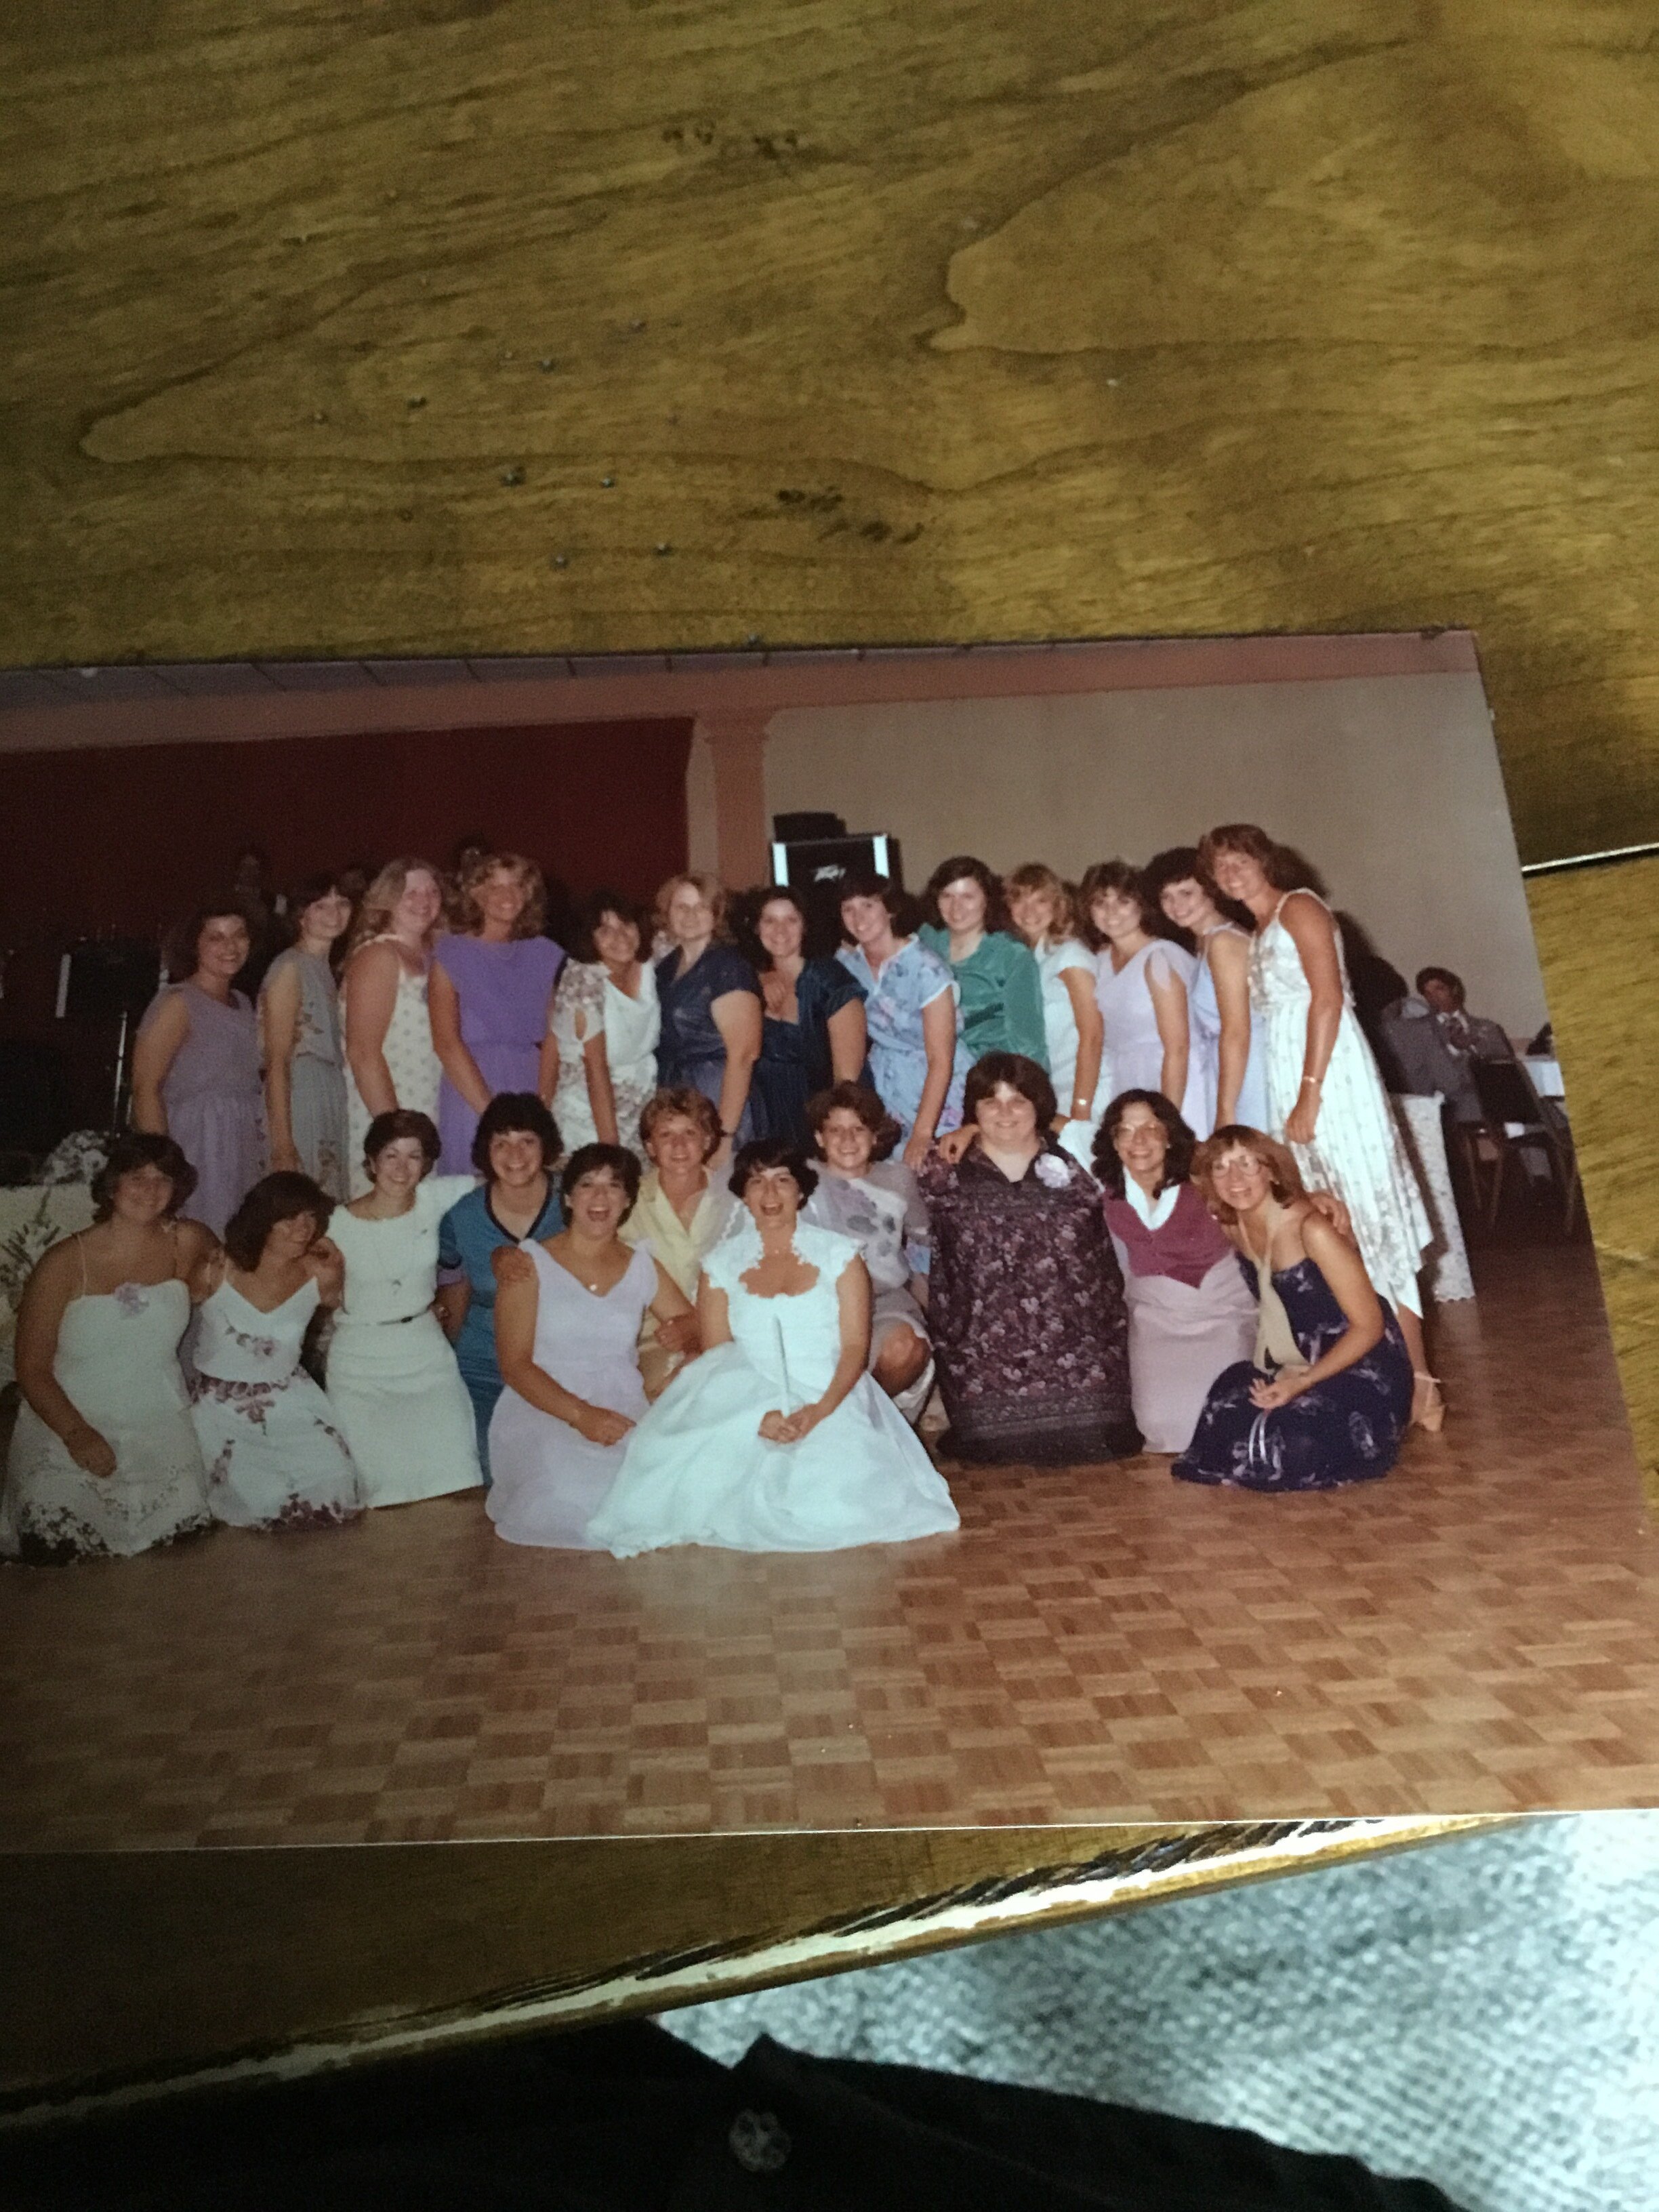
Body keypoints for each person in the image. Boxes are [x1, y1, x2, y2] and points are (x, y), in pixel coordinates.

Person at [586, 1139, 960, 1556]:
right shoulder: (722, 1265)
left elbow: (855, 1347)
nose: (769, 1194)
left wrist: (817, 1411)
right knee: (700, 1489)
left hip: (828, 1390)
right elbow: (719, 1355)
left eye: (782, 1181)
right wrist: (755, 1415)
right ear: (742, 1195)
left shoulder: (839, 1257)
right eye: (757, 1182)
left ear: (800, 1192)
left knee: (837, 1503)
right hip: (744, 1388)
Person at [1198, 823, 1441, 1431]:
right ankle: (1372, 1378)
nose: (1231, 873)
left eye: (1240, 861)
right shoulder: (1255, 931)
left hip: (1332, 1079)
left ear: (1265, 860)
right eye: (1220, 868)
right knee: (1336, 1230)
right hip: (1292, 1077)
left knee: (1374, 1227)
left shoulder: (1300, 906)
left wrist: (1311, 1093)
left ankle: (1423, 1386)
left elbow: (1328, 1000)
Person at [1, 1133, 216, 1564]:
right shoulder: (63, 1262)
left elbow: (243, 1280)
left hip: (161, 1420)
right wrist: (77, 1435)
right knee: (57, 1542)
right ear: (112, 1185)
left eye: (163, 1180)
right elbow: (32, 1368)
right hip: (73, 1420)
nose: (150, 1190)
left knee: (178, 1540)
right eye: (137, 1178)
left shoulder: (189, 1242)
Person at [920, 1054, 1141, 1465]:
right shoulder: (944, 1168)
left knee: (1097, 1440)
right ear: (974, 1110)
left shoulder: (1079, 1164)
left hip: (1082, 1354)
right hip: (984, 1358)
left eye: (1018, 1100)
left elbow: (1110, 1141)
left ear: (1038, 1105)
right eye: (991, 1102)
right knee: (991, 1448)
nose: (1005, 1113)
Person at [1174, 1126, 1414, 1490]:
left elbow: (1370, 1326)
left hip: (1358, 1361)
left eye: (1247, 1164)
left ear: (1271, 1170)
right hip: (1291, 1360)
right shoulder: (1231, 1223)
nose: (1234, 1178)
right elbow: (1181, 1164)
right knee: (1225, 1408)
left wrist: (1303, 1381)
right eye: (1220, 1168)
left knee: (1299, 1442)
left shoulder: (1311, 1228)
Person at [485, 1143, 695, 1548]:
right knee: (576, 1501)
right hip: (544, 1407)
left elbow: (697, 1324)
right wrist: (582, 1417)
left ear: (628, 1199)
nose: (600, 1198)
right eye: (587, 1185)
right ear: (567, 1197)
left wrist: (686, 1344)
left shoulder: (642, 1265)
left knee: (653, 1494)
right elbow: (515, 1366)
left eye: (613, 1187)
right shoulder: (528, 1263)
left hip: (622, 1403)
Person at [325, 1110, 483, 1506]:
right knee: (384, 1496)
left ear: (427, 1164)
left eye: (414, 1156)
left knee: (458, 1479)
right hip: (360, 1366)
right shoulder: (335, 1224)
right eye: (391, 1155)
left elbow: (508, 1182)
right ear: (372, 1162)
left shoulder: (436, 1197)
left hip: (426, 1356)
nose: (401, 1167)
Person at [189, 1172, 362, 1530]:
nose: (303, 1228)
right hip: (220, 1410)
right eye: (290, 1218)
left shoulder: (322, 1272)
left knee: (334, 1484)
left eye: (311, 1217)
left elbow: (352, 1315)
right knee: (256, 1501)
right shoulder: (216, 1270)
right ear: (262, 1221)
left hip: (291, 1402)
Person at [1093, 1090, 1260, 1454]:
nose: (1139, 1141)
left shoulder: (1205, 1176)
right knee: (1159, 1426)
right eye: (1125, 1130)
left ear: (1169, 1136)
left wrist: (1319, 1200)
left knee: (1228, 1420)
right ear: (1114, 1141)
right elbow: (1044, 1120)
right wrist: (969, 1131)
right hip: (1156, 1319)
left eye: (1151, 1128)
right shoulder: (1107, 1186)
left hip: (1220, 1311)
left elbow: (1266, 1189)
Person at [434, 1094, 564, 1472]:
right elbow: (454, 1291)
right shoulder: (462, 1217)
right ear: (485, 1151)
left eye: (527, 1141)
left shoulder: (574, 1202)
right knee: (500, 1470)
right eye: (501, 1143)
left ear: (546, 1146)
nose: (515, 1154)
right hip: (485, 1364)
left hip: (559, 1360)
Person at [131, 905, 267, 1235]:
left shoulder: (243, 1002)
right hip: (198, 1144)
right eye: (216, 938)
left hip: (241, 1141)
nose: (230, 947)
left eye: (239, 936)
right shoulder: (178, 1002)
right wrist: (162, 1169)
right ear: (195, 945)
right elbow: (146, 1088)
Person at [801, 1082, 933, 1421]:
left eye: (858, 1129)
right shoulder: (802, 1180)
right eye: (836, 1130)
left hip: (884, 1303)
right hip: (821, 1309)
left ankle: (859, 1418)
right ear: (819, 1138)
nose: (847, 1140)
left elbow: (927, 1239)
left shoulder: (899, 1180)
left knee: (906, 1351)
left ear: (875, 1136)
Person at [429, 851, 564, 1174]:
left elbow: (553, 1037)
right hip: (472, 1089)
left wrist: (540, 1111)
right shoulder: (450, 952)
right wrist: (493, 1119)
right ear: (476, 893)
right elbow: (446, 1043)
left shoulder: (546, 953)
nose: (507, 895)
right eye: (494, 886)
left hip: (529, 1083)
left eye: (517, 885)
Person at [836, 871, 970, 1170]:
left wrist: (923, 1133)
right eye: (849, 908)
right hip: (885, 1084)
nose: (859, 917)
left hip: (935, 1086)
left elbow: (940, 1058)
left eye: (868, 905)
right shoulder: (846, 964)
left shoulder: (926, 967)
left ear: (890, 909)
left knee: (938, 1171)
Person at [340, 857, 446, 1197]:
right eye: (410, 892)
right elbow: (363, 1053)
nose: (423, 900)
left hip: (426, 1106)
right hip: (388, 1111)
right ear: (388, 898)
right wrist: (395, 1137)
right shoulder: (380, 956)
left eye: (432, 892)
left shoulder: (433, 956)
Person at [1142, 845, 1266, 1135]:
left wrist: (1226, 1110)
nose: (1176, 906)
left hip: (1250, 1072)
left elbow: (1237, 1032)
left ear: (1211, 892)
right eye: (1166, 897)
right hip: (1227, 1069)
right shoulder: (1204, 944)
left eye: (1186, 893)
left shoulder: (1224, 943)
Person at [617, 1088, 732, 1397]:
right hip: (653, 1339)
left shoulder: (733, 1199)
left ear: (707, 1141)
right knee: (679, 1389)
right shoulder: (626, 1200)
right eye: (666, 1135)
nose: (679, 1145)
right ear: (650, 1146)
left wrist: (700, 1329)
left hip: (728, 1333)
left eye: (690, 1133)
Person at [1080, 860, 1206, 1134]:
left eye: (1123, 901)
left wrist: (1167, 1120)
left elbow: (1179, 1048)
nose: (1111, 912)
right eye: (1101, 903)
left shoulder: (1160, 957)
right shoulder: (1100, 961)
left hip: (1177, 1084)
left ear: (1141, 905)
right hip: (1128, 1079)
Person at [739, 884, 867, 1148]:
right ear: (756, 928)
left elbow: (847, 1083)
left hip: (819, 1118)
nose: (780, 930)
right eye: (770, 920)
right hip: (766, 1118)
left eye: (791, 920)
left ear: (805, 926)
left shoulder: (829, 979)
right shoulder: (748, 981)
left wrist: (833, 1134)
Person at [653, 872, 763, 1159]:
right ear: (667, 914)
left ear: (717, 915)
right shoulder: (665, 968)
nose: (690, 915)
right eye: (681, 907)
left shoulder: (727, 967)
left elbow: (744, 1054)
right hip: (675, 1095)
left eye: (700, 907)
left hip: (718, 1096)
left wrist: (724, 1135)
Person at [545, 890, 661, 1159]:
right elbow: (594, 1067)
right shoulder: (583, 978)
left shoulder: (650, 960)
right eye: (604, 930)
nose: (619, 936)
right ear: (590, 938)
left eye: (625, 924)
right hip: (589, 1112)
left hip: (640, 1105)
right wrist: (610, 1146)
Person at [258, 872, 354, 1200]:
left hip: (329, 1091)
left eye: (342, 903)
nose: (335, 913)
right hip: (301, 1093)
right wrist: (283, 1143)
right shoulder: (290, 967)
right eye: (321, 906)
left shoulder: (327, 971)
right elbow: (277, 1060)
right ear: (302, 914)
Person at [1004, 861, 1106, 1168]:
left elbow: (1093, 1035)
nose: (1029, 910)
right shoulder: (1030, 959)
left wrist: (1082, 1109)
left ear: (1058, 905)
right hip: (1055, 1089)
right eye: (1020, 899)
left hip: (1090, 1089)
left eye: (1040, 900)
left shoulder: (1070, 954)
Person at [917, 855, 1048, 1070]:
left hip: (988, 1076)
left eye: (967, 896)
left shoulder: (1011, 956)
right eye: (947, 896)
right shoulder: (926, 942)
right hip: (926, 1067)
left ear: (987, 899)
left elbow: (1029, 1042)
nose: (956, 907)